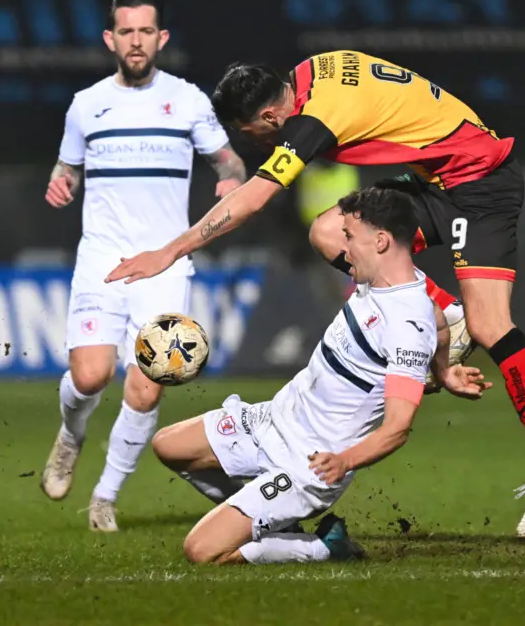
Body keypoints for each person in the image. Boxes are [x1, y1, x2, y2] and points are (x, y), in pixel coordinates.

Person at [105, 51, 525, 538]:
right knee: (331, 231)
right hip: (433, 181)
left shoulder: (313, 118)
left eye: (252, 132)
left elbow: (252, 199)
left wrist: (170, 251)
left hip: (480, 183)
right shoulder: (312, 72)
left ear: (271, 115)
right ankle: (444, 312)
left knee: (491, 326)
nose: (258, 142)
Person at [151, 187, 491, 564]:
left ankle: (322, 548)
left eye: (349, 237)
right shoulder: (382, 279)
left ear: (380, 241)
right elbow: (440, 322)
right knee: (168, 445)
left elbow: (396, 429)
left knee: (202, 551)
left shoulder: (406, 324)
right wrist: (443, 371)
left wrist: (344, 462)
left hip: (307, 463)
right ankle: (268, 519)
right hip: (274, 419)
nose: (343, 248)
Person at [40, 0, 247, 532]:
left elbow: (231, 165)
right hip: (103, 257)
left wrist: (230, 182)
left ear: (162, 38)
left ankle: (105, 496)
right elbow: (68, 170)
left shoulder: (188, 101)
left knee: (148, 383)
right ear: (111, 38)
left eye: (145, 31)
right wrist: (61, 183)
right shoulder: (87, 105)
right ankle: (71, 435)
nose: (136, 41)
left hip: (165, 263)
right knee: (89, 376)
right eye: (126, 31)